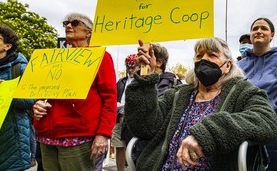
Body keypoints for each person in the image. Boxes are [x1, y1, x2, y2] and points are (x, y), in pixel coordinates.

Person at [124, 37, 277, 170]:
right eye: (199, 55)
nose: (204, 59)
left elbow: (267, 119)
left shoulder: (243, 91)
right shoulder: (179, 94)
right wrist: (145, 80)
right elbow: (144, 127)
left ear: (228, 66)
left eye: (212, 55)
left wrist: (208, 133)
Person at [33, 13, 117, 171]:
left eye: (75, 22)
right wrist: (37, 105)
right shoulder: (56, 58)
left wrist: (103, 133)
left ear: (89, 33)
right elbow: (43, 93)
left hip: (78, 135)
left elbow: (110, 98)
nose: (68, 26)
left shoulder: (101, 57)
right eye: (66, 23)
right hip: (48, 135)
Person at [0, 23, 35, 171]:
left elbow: (30, 100)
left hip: (11, 144)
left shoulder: (20, 68)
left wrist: (6, 90)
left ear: (7, 46)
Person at [238, 17, 277, 171]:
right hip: (241, 130)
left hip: (271, 131)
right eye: (255, 28)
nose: (259, 31)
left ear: (272, 35)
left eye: (264, 28)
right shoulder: (238, 66)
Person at [111, 54, 139, 171]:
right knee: (119, 146)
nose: (131, 69)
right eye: (128, 67)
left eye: (133, 67)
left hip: (133, 118)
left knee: (133, 147)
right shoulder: (121, 81)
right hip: (119, 116)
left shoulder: (141, 81)